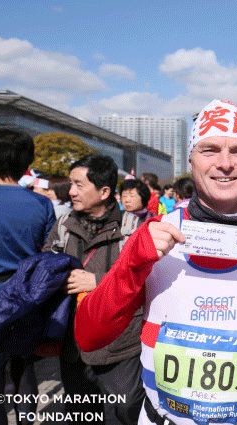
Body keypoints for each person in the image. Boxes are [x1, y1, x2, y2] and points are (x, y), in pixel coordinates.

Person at [74, 99, 237, 425]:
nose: (225, 164)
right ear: (192, 161)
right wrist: (131, 266)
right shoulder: (157, 231)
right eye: (209, 150)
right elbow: (89, 337)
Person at [43, 154, 146, 425]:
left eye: (78, 184)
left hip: (120, 343)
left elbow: (147, 278)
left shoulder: (132, 229)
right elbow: (47, 263)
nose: (71, 191)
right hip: (73, 340)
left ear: (104, 192)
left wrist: (98, 281)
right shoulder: (64, 225)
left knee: (124, 410)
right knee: (81, 413)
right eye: (70, 184)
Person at [0, 129, 56, 425]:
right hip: (25, 298)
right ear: (25, 163)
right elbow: (49, 256)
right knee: (24, 368)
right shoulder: (41, 204)